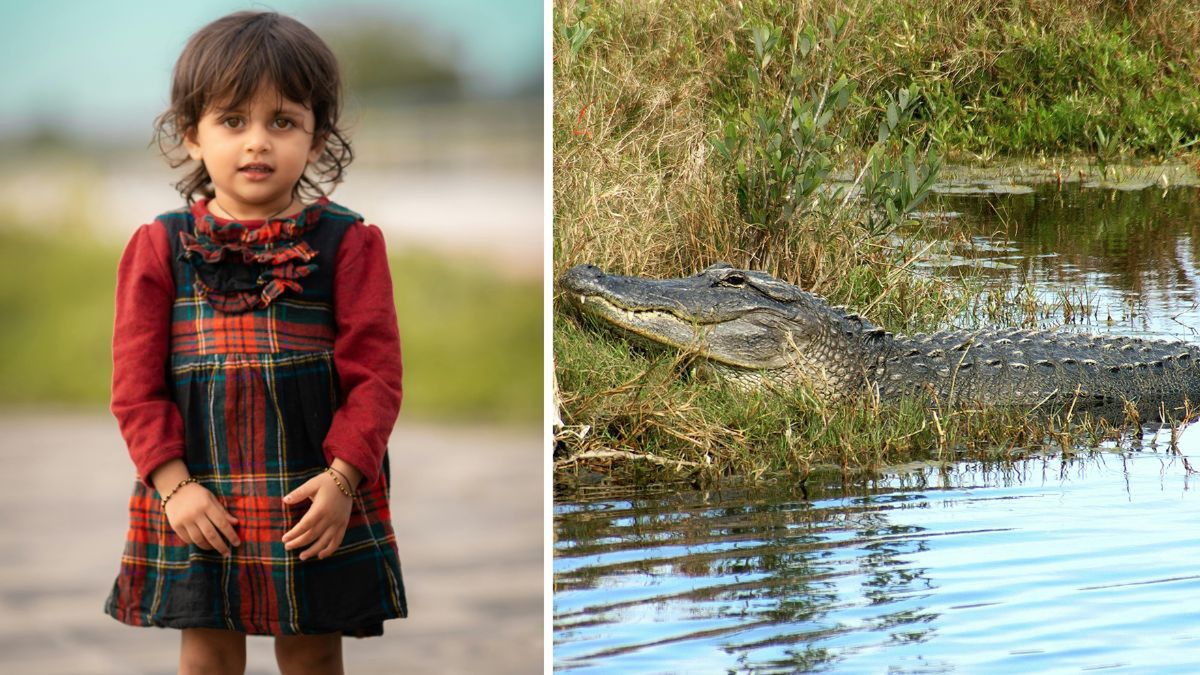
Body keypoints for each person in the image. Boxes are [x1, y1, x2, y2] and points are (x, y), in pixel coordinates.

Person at [103, 11, 407, 674]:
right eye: (232, 121)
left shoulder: (347, 243)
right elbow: (135, 388)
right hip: (198, 493)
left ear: (316, 134)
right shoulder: (159, 247)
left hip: (312, 493)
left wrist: (342, 481)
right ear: (191, 135)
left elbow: (376, 381)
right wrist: (174, 487)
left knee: (311, 653)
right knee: (208, 653)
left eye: (283, 121)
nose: (257, 143)